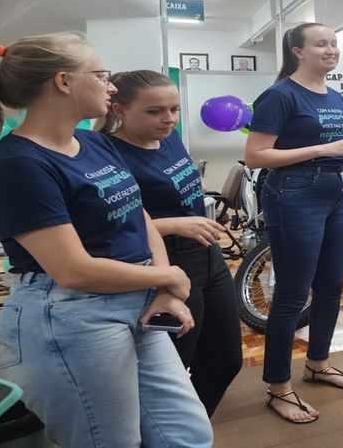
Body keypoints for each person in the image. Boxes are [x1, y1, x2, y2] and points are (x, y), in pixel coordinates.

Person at [0, 34, 212, 446]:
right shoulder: (16, 165)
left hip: (137, 298)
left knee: (186, 435)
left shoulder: (95, 142)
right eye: (101, 75)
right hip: (72, 316)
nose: (111, 86)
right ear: (63, 82)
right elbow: (73, 270)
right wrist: (168, 275)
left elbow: (140, 216)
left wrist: (162, 287)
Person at [245, 22, 343, 424]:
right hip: (295, 193)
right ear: (298, 51)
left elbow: (337, 143)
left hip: (338, 191)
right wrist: (323, 148)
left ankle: (317, 363)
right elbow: (257, 155)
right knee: (292, 294)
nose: (331, 50)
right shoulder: (280, 95)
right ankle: (278, 385)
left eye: (334, 43)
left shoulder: (333, 94)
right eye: (321, 44)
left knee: (331, 287)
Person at [103, 70, 243, 416]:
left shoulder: (168, 139)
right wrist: (173, 224)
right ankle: (162, 432)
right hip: (163, 260)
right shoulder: (108, 154)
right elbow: (108, 224)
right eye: (155, 111)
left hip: (206, 255)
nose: (168, 119)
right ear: (119, 110)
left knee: (225, 360)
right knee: (174, 365)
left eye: (174, 109)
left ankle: (190, 430)